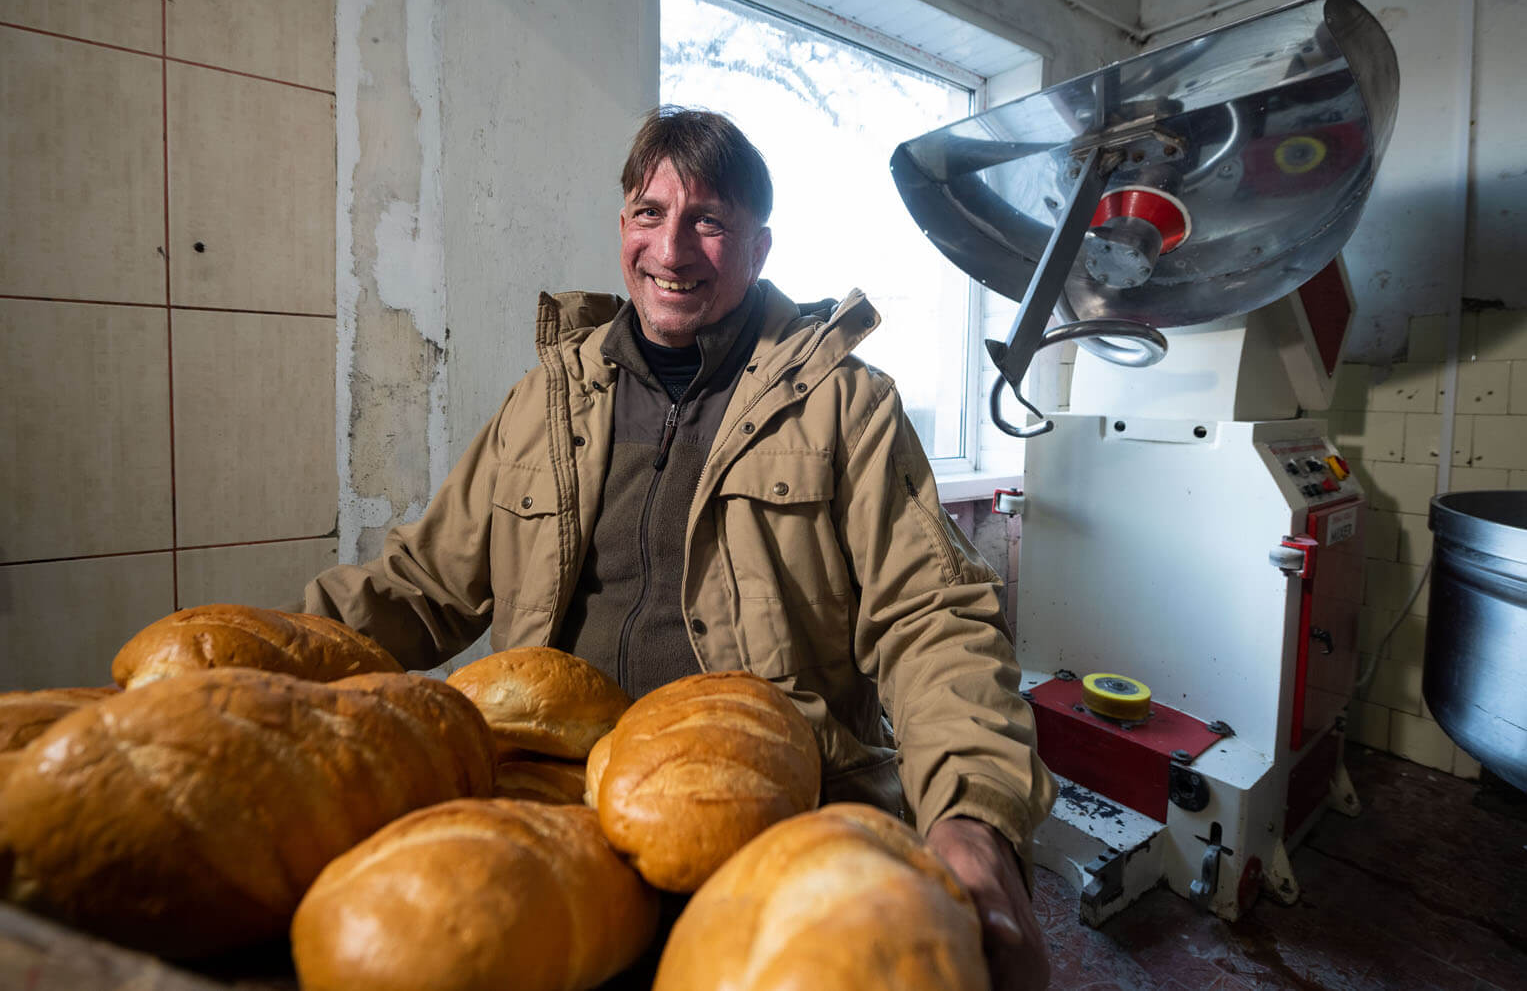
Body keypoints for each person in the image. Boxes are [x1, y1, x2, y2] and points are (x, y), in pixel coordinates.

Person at [303, 106, 1056, 990]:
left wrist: (969, 819)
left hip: (768, 820)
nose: (672, 249)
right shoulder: (547, 399)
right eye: (650, 214)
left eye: (709, 221)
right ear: (623, 227)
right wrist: (275, 671)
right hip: (555, 808)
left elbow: (931, 620)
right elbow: (420, 584)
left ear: (757, 247)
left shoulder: (844, 405)